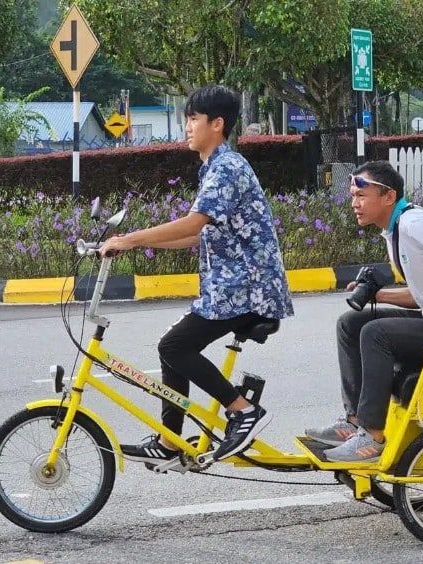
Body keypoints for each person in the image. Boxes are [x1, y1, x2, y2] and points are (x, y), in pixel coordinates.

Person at [100, 85, 294, 464]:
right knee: (172, 347)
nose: (187, 126)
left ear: (217, 124)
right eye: (187, 119)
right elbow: (196, 233)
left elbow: (194, 221)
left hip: (249, 289)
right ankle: (172, 442)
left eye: (193, 119)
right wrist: (133, 244)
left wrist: (129, 238)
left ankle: (241, 410)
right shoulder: (213, 167)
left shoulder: (228, 167)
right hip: (232, 288)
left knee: (174, 347)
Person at [305, 161, 423, 462]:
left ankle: (372, 436)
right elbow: (421, 295)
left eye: (361, 196)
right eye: (352, 196)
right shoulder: (394, 232)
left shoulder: (413, 223)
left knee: (376, 333)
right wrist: (379, 295)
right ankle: (353, 422)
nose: (354, 203)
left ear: (388, 197)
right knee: (351, 324)